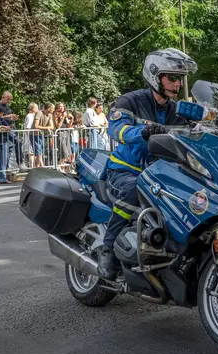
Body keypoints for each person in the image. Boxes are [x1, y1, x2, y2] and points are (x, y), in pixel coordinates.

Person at [97, 48, 197, 281]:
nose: (177, 83)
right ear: (154, 76)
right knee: (134, 190)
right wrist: (142, 131)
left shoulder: (176, 110)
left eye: (179, 79)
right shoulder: (130, 101)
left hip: (160, 173)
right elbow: (116, 130)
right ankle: (108, 248)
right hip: (125, 169)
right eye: (171, 77)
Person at [33, 102, 55, 168]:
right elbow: (36, 126)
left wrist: (48, 127)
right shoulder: (39, 113)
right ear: (49, 108)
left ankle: (37, 167)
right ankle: (42, 167)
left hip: (41, 134)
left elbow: (52, 127)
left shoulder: (50, 115)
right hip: (34, 134)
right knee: (39, 151)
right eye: (53, 108)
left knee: (40, 151)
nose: (54, 110)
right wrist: (47, 128)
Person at [54, 102, 73, 172]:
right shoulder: (56, 114)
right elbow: (58, 126)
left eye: (62, 106)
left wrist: (72, 119)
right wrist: (63, 118)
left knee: (68, 152)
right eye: (59, 107)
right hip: (60, 134)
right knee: (63, 152)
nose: (61, 108)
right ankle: (60, 167)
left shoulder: (65, 114)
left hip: (66, 133)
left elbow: (68, 126)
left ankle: (64, 168)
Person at [23, 103, 39, 168]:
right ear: (32, 109)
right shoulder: (29, 116)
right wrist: (29, 138)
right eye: (36, 107)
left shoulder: (33, 116)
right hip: (30, 136)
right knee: (31, 152)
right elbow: (27, 128)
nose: (37, 109)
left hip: (32, 136)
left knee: (33, 152)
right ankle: (31, 166)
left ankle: (33, 166)